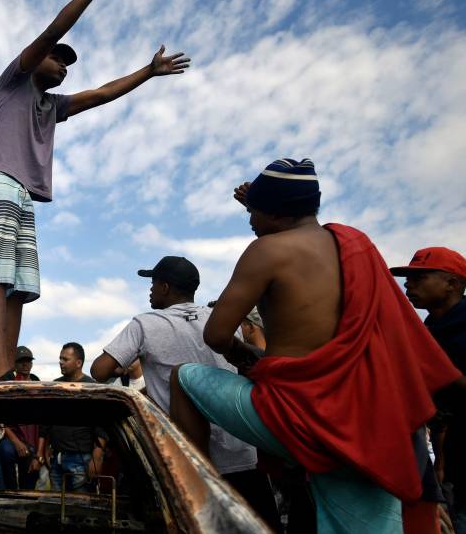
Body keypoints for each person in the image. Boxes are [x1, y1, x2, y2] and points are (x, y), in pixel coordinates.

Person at [167, 159, 463, 533]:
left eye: (253, 213)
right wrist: (262, 202)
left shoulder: (266, 250)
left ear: (275, 211)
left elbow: (216, 335)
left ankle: (199, 503)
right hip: (374, 415)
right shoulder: (356, 245)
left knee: (185, 377)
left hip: (302, 414)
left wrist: (244, 356)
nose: (250, 221)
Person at [0, 0, 190, 380]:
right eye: (57, 58)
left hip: (21, 192)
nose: (64, 66)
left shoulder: (52, 106)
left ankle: (7, 371)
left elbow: (102, 93)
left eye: (68, 64)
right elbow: (52, 30)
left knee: (18, 284)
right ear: (34, 61)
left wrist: (148, 71)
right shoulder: (14, 81)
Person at [90, 257, 277, 529]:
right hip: (241, 452)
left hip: (185, 459)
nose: (150, 289)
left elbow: (99, 370)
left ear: (165, 287)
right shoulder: (221, 319)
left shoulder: (144, 325)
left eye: (153, 283)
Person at [391, 247, 466, 532]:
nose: (409, 284)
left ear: (453, 283)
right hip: (455, 458)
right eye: (408, 278)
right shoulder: (430, 329)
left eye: (420, 277)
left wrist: (435, 364)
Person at [36, 343, 107, 492]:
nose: (61, 362)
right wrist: (42, 451)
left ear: (78, 362)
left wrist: (97, 458)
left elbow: (101, 426)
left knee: (79, 508)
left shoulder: (91, 388)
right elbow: (46, 423)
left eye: (65, 359)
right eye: (60, 358)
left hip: (81, 459)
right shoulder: (55, 386)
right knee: (57, 506)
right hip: (57, 459)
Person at [0, 346, 40, 490]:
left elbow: (43, 421)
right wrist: (16, 441)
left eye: (28, 361)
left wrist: (39, 454)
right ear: (14, 363)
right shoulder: (6, 382)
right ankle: (10, 491)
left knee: (29, 486)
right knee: (6, 451)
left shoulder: (37, 382)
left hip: (32, 441)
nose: (25, 365)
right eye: (21, 361)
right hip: (11, 437)